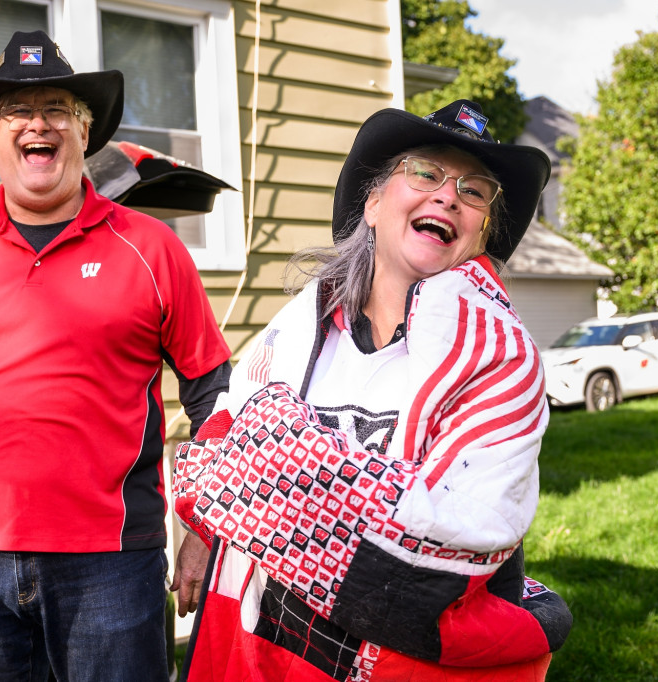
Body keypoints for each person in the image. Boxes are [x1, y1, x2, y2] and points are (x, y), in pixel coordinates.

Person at [171, 100, 573, 681]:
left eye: (475, 191)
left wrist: (279, 468)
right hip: (267, 646)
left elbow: (469, 525)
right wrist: (210, 528)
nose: (448, 196)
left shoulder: (503, 361)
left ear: (481, 231)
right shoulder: (300, 325)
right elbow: (225, 442)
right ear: (374, 202)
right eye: (425, 173)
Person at [0, 30, 231, 682]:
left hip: (113, 563)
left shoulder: (152, 250)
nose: (36, 124)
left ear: (84, 133)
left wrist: (206, 528)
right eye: (16, 111)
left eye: (57, 110)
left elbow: (213, 392)